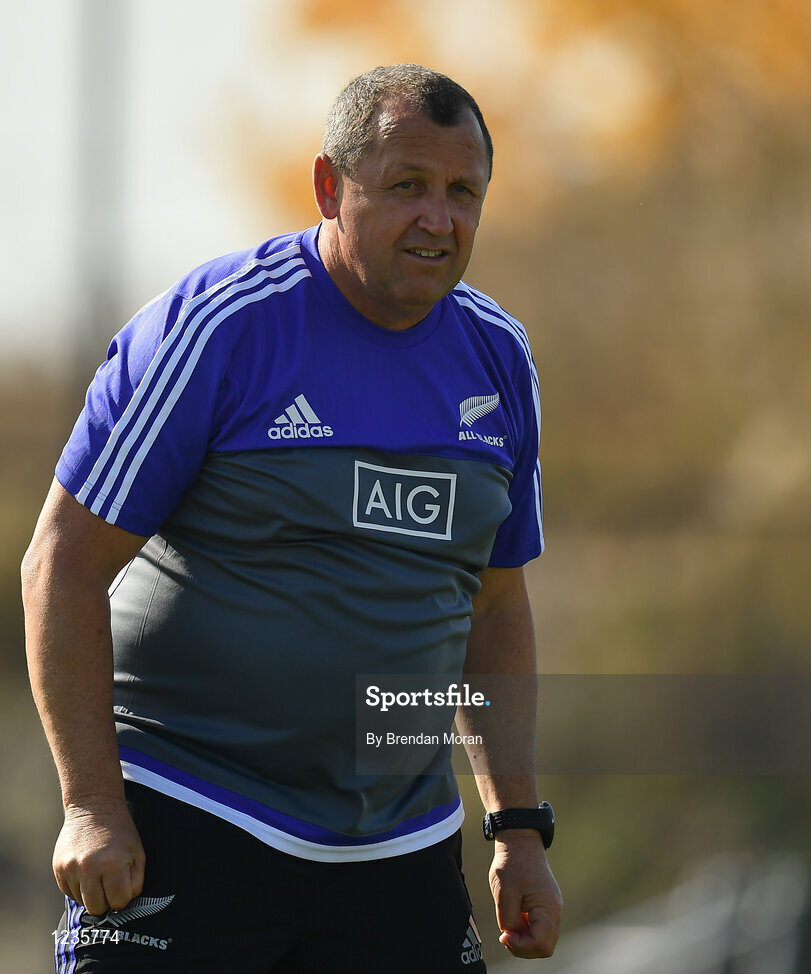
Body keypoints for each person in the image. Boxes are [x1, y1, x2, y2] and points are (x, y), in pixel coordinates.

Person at [22, 64, 562, 972]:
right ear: (327, 187)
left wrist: (516, 831)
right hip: (193, 814)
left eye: (462, 192)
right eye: (407, 187)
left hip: (397, 845)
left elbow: (495, 608)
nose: (440, 218)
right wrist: (90, 805)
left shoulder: (498, 358)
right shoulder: (220, 328)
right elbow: (61, 564)